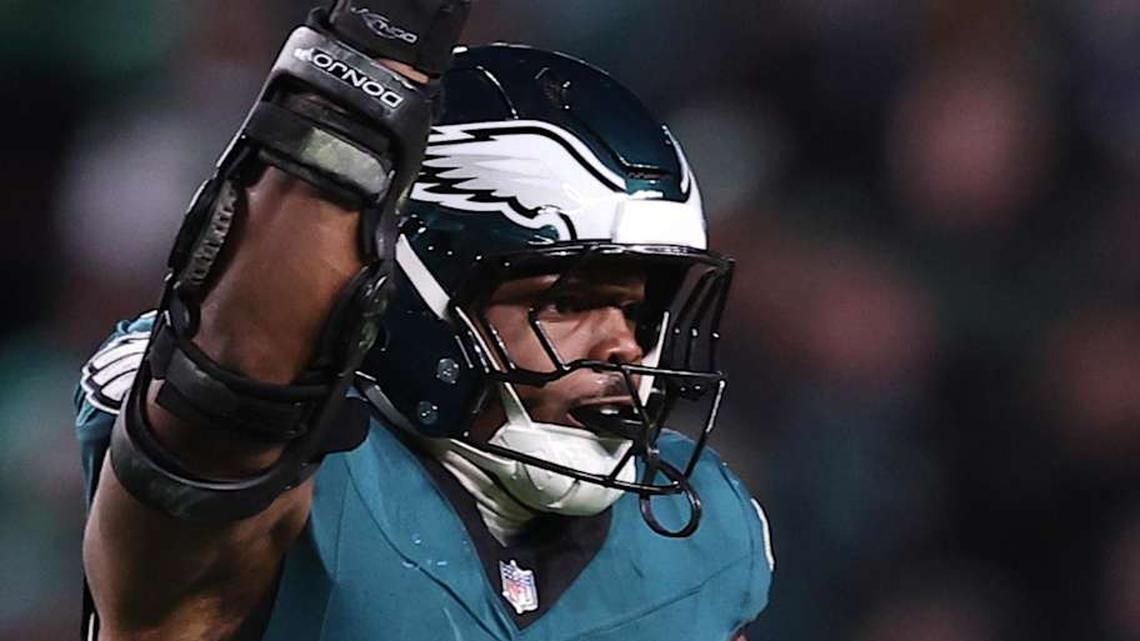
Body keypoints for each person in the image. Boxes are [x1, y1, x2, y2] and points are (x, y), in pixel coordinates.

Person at [76, 2, 774, 639]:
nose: (626, 346)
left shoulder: (699, 544)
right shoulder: (309, 485)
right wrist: (366, 65)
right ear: (414, 295)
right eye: (567, 301)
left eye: (640, 307)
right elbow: (237, 390)